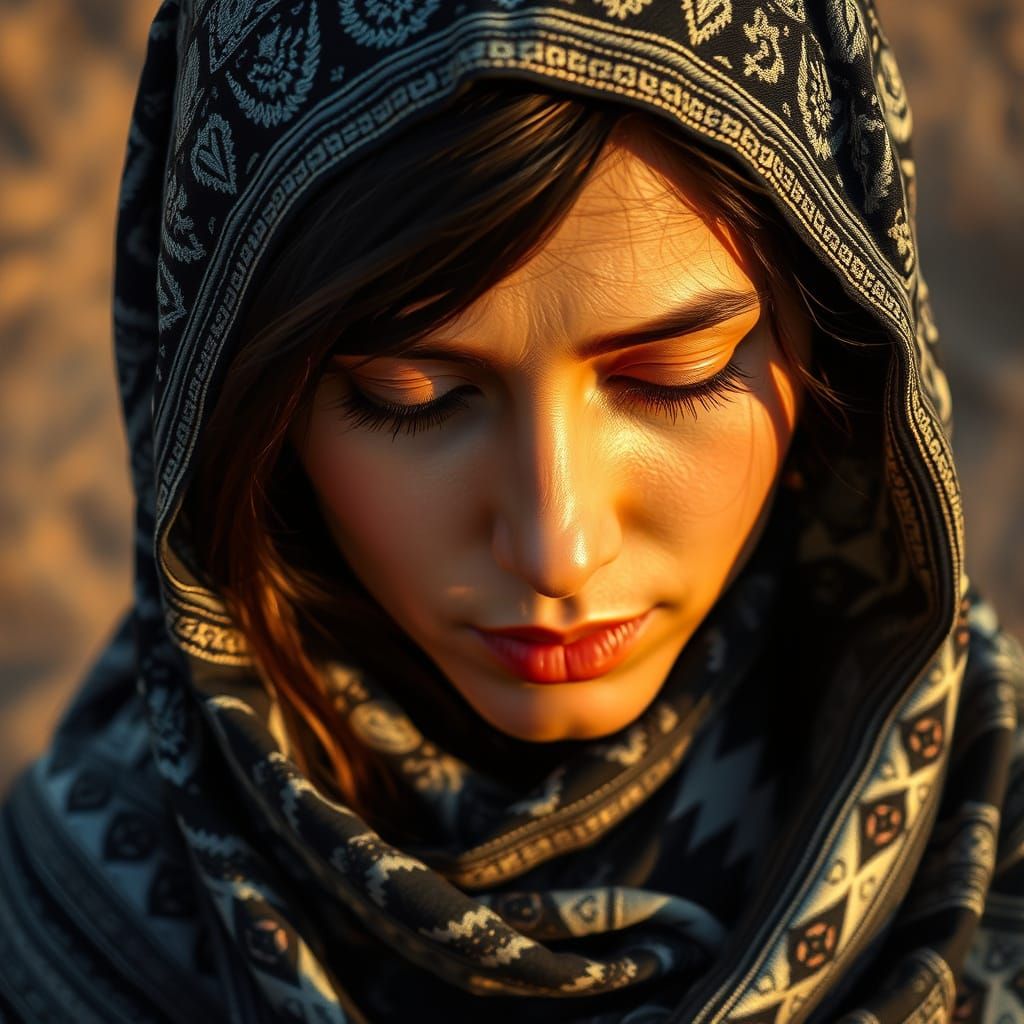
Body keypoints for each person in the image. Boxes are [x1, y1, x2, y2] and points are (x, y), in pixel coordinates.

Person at [1, 1, 1021, 1021]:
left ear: (838, 326)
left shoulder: (996, 841)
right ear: (236, 410)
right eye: (415, 398)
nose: (556, 547)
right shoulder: (66, 937)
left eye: (676, 374)